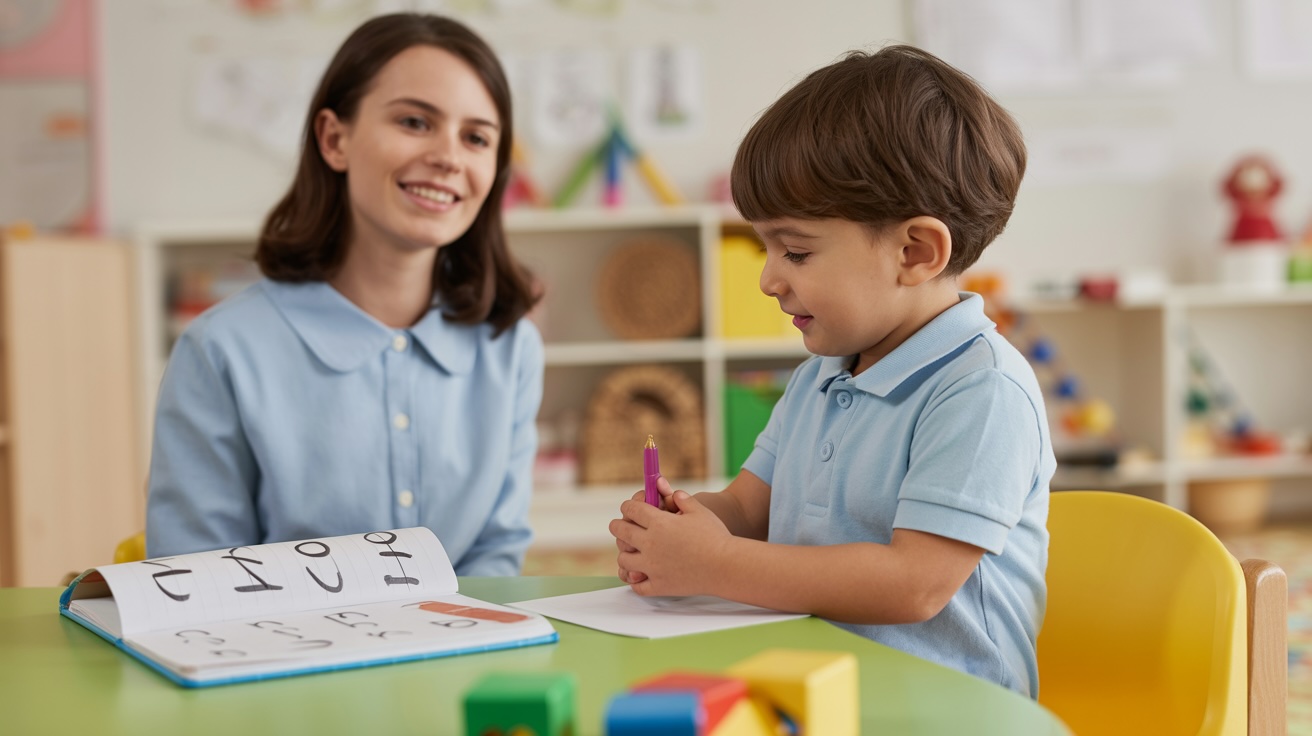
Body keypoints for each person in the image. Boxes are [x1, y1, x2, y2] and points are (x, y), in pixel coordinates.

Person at [610, 45, 1053, 698]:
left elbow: (915, 584)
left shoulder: (982, 389)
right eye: (765, 248)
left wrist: (717, 563)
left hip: (946, 708)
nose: (767, 278)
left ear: (915, 251)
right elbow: (746, 509)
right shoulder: (820, 375)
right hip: (814, 691)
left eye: (795, 250)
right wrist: (682, 526)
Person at [146, 13, 543, 576]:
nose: (450, 157)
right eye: (414, 121)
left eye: (476, 137)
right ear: (335, 139)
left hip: (461, 657)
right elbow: (196, 578)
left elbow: (496, 558)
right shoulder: (220, 350)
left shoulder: (511, 347)